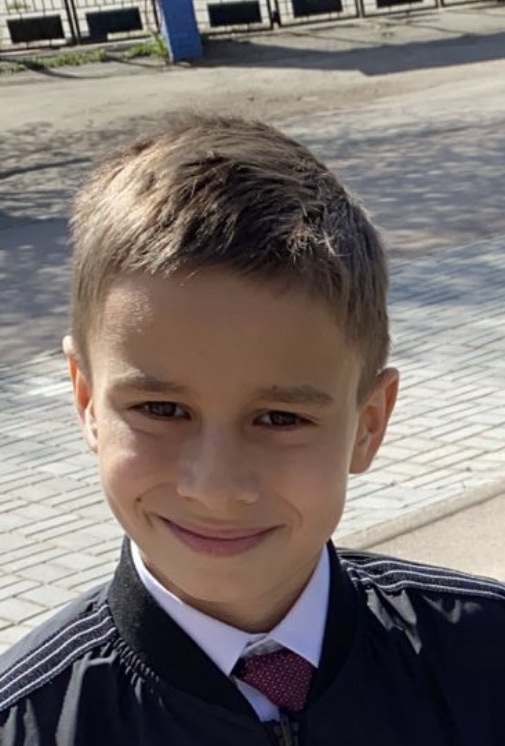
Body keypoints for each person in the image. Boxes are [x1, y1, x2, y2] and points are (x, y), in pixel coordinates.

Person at [0, 114, 503, 746]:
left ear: (368, 424)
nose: (215, 488)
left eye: (281, 418)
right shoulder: (28, 724)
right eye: (161, 409)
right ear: (86, 401)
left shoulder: (484, 656)